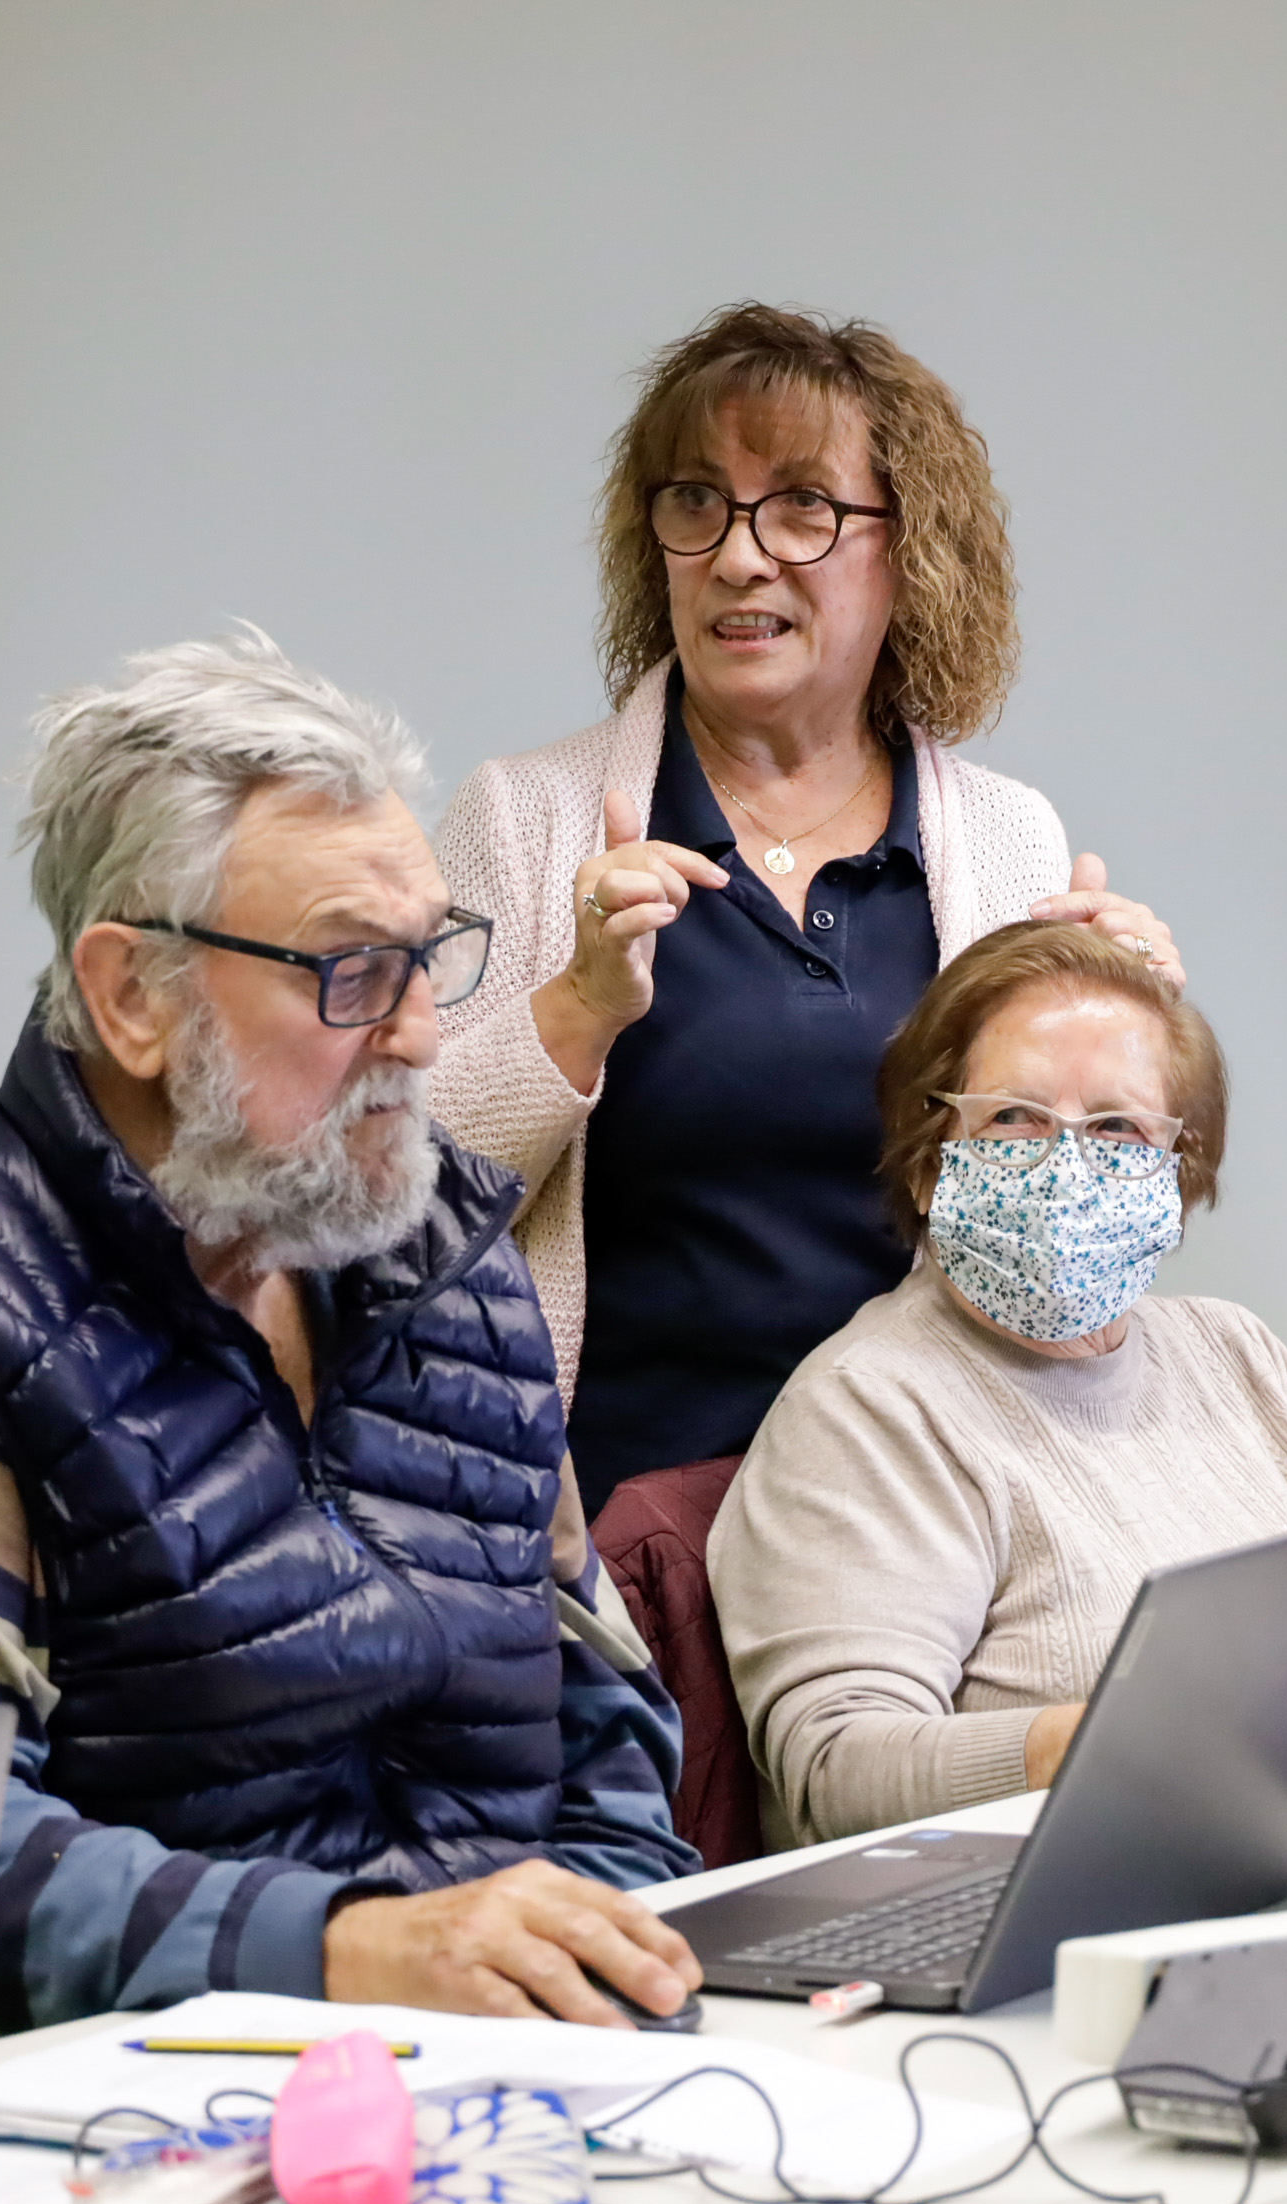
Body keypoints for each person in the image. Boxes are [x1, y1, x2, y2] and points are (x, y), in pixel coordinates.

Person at [0, 632, 705, 2035]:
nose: (418, 1035)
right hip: (140, 2107)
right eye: (350, 971)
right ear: (131, 995)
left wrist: (609, 1979)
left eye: (428, 958)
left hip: (504, 2080)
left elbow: (605, 1715)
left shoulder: (445, 1251)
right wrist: (355, 1954)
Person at [434, 304, 1182, 1515]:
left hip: (918, 1526)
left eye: (800, 507)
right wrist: (576, 1008)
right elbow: (386, 1205)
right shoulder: (525, 818)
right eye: (698, 502)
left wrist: (1123, 1084)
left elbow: (1061, 1281)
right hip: (603, 1545)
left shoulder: (1008, 841)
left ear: (911, 550)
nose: (739, 557)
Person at [708, 922, 1287, 1850]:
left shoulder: (1228, 1349)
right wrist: (1104, 1741)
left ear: (1177, 1173)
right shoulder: (869, 1406)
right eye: (1014, 1118)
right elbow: (836, 1767)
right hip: (1063, 1886)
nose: (1066, 1167)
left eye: (1117, 1128)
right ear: (926, 1161)